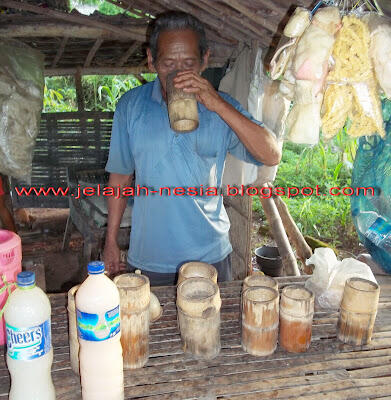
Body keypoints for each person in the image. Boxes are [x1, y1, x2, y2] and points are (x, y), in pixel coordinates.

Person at [104, 11, 281, 285]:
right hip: (149, 256)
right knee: (151, 326)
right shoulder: (130, 107)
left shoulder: (222, 107)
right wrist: (111, 240)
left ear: (204, 60)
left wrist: (217, 104)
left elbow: (271, 154)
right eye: (167, 63)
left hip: (209, 256)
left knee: (209, 327)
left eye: (188, 63)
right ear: (151, 60)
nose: (178, 73)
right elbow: (120, 177)